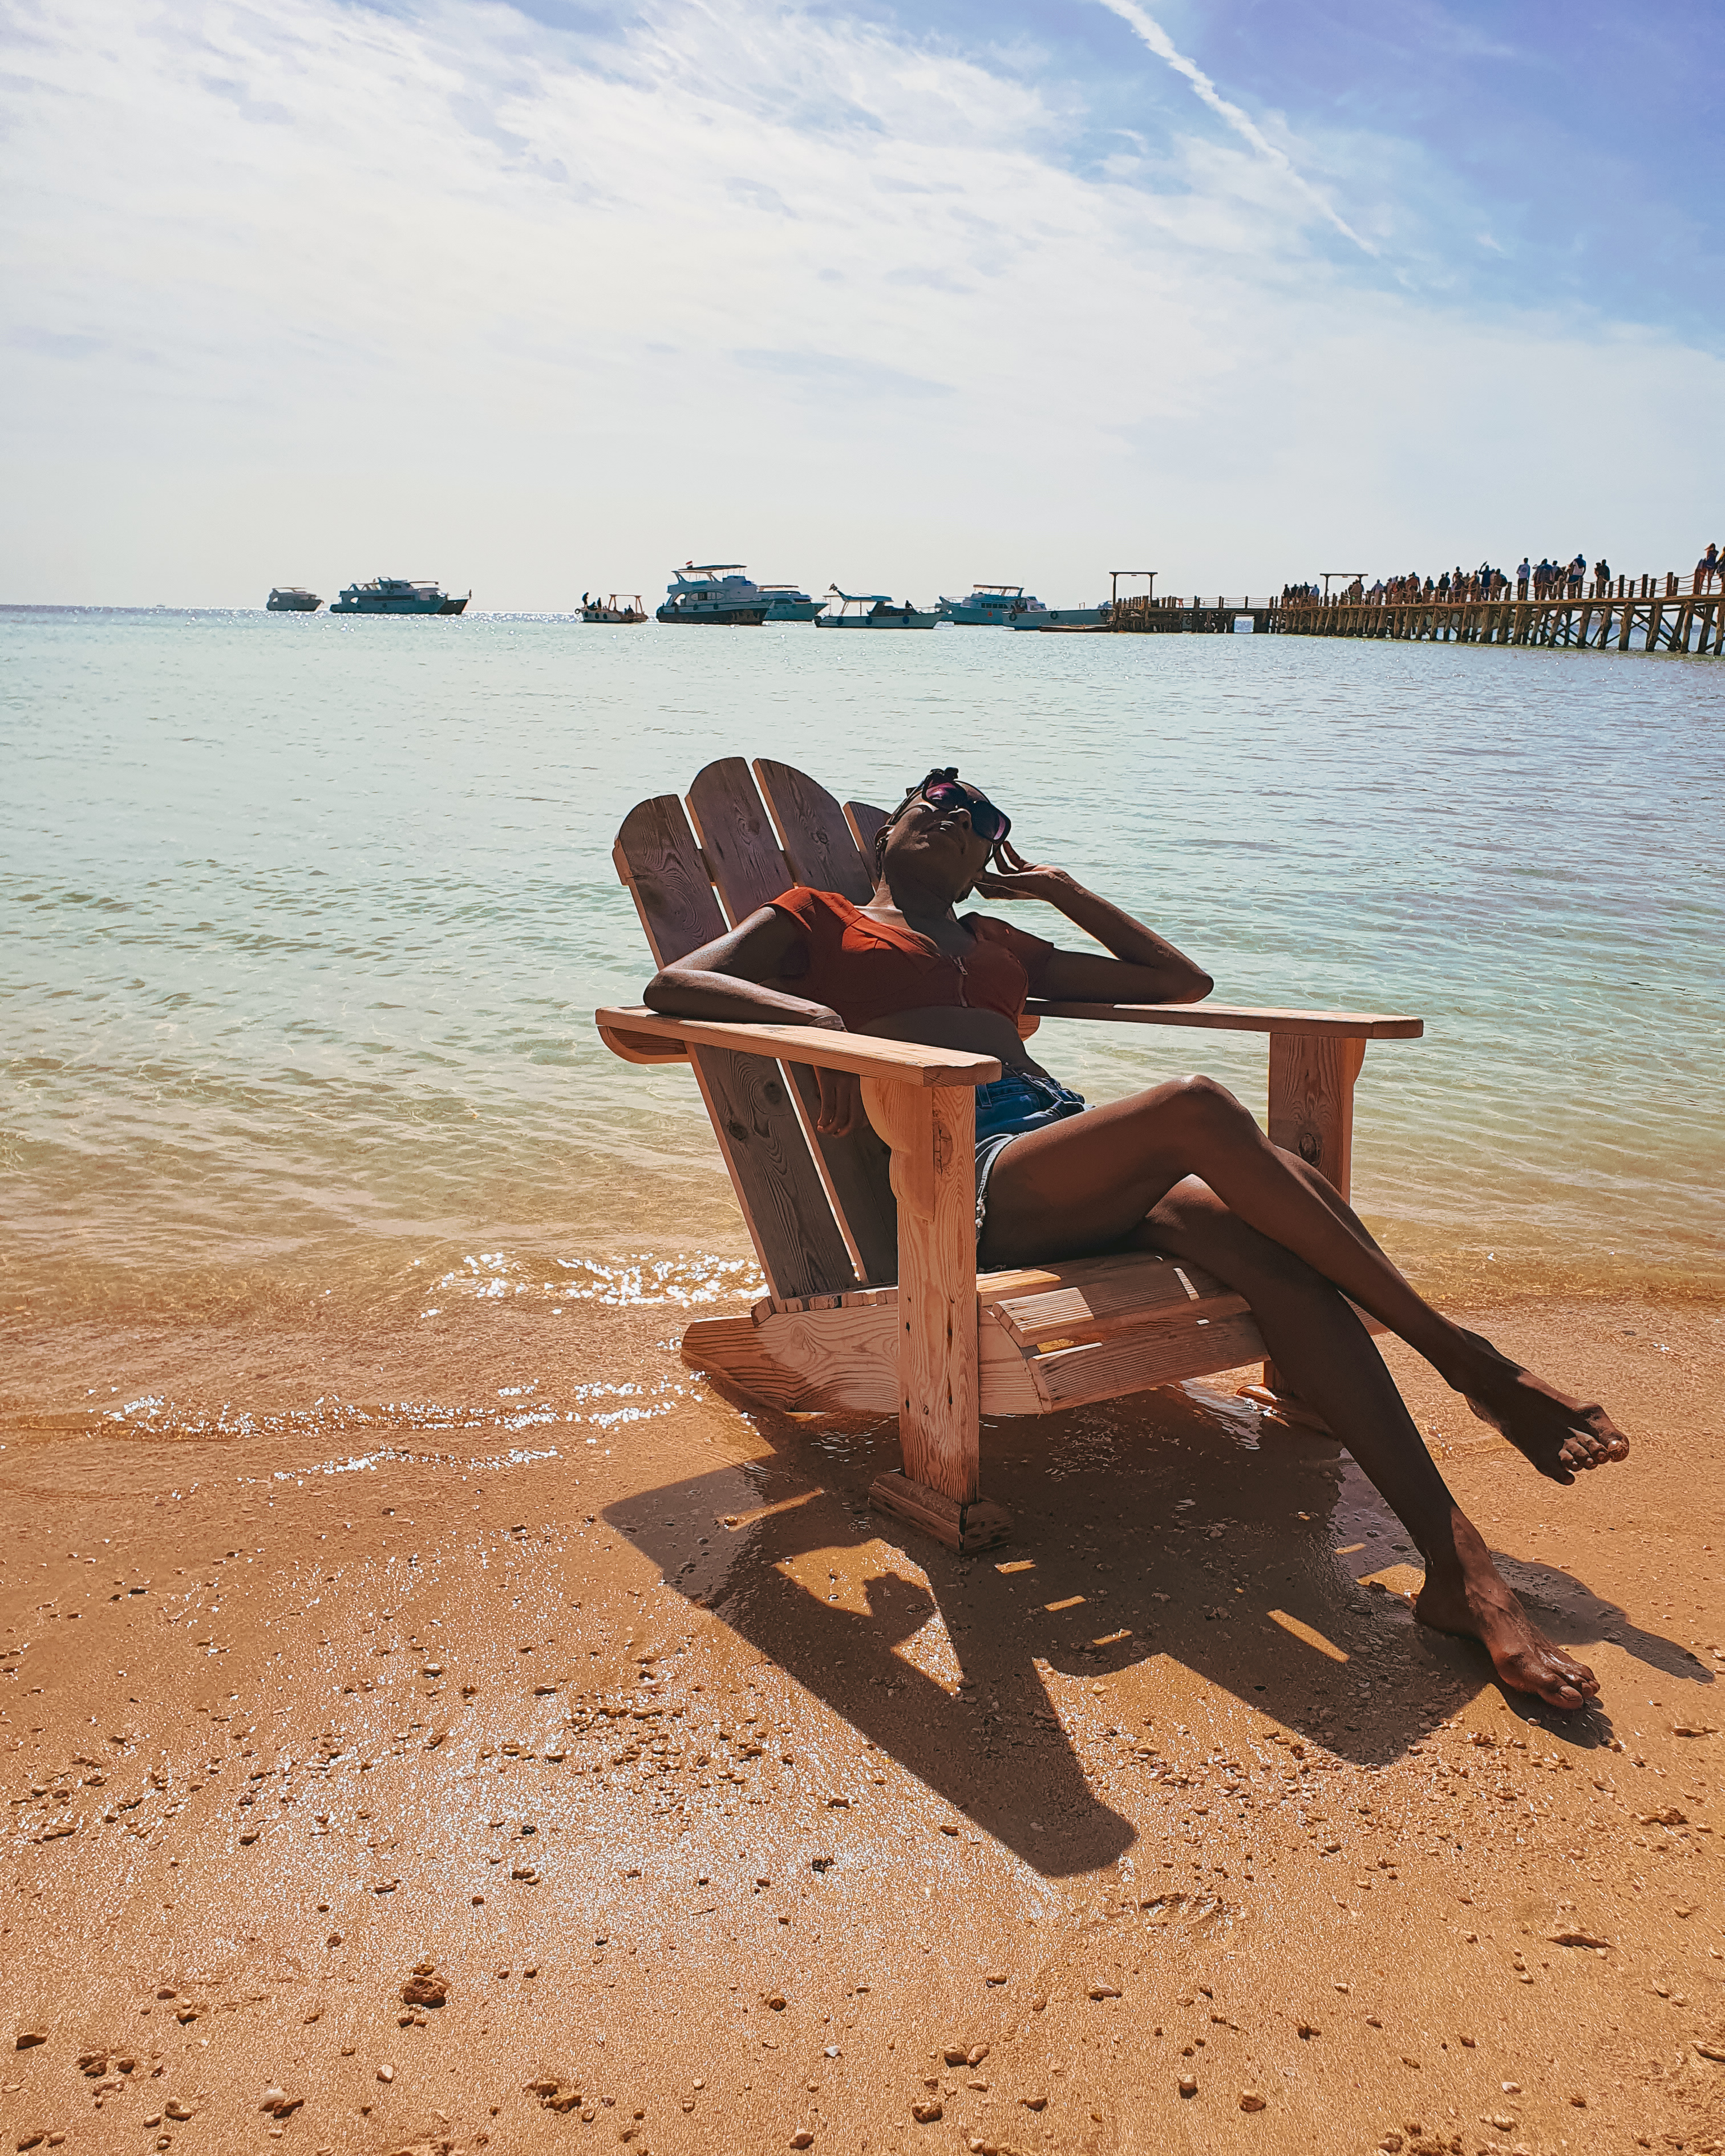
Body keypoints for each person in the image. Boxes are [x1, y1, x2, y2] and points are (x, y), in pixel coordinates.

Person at [645, 770, 1631, 1712]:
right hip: (970, 1174)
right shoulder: (820, 916)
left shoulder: (995, 938)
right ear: (889, 827)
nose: (959, 818)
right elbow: (676, 990)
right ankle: (1469, 1361)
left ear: (991, 860)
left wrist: (1063, 889)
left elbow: (1179, 979)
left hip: (1061, 1142)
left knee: (1265, 1256)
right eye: (938, 802)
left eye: (983, 819)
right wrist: (815, 1018)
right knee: (1198, 1105)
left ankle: (1461, 1571)